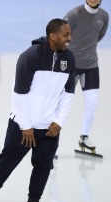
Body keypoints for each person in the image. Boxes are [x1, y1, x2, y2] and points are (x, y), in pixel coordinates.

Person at [0, 18, 75, 202]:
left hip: (49, 128)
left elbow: (68, 94)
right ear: (52, 36)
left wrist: (59, 121)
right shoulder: (30, 57)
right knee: (6, 163)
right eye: (66, 35)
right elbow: (19, 94)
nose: (69, 38)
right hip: (22, 125)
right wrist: (25, 126)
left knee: (43, 166)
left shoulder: (69, 59)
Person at [64, 0, 108, 154]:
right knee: (62, 104)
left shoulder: (104, 16)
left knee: (92, 103)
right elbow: (60, 35)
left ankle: (84, 136)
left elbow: (99, 36)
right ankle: (50, 140)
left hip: (91, 67)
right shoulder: (74, 14)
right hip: (71, 66)